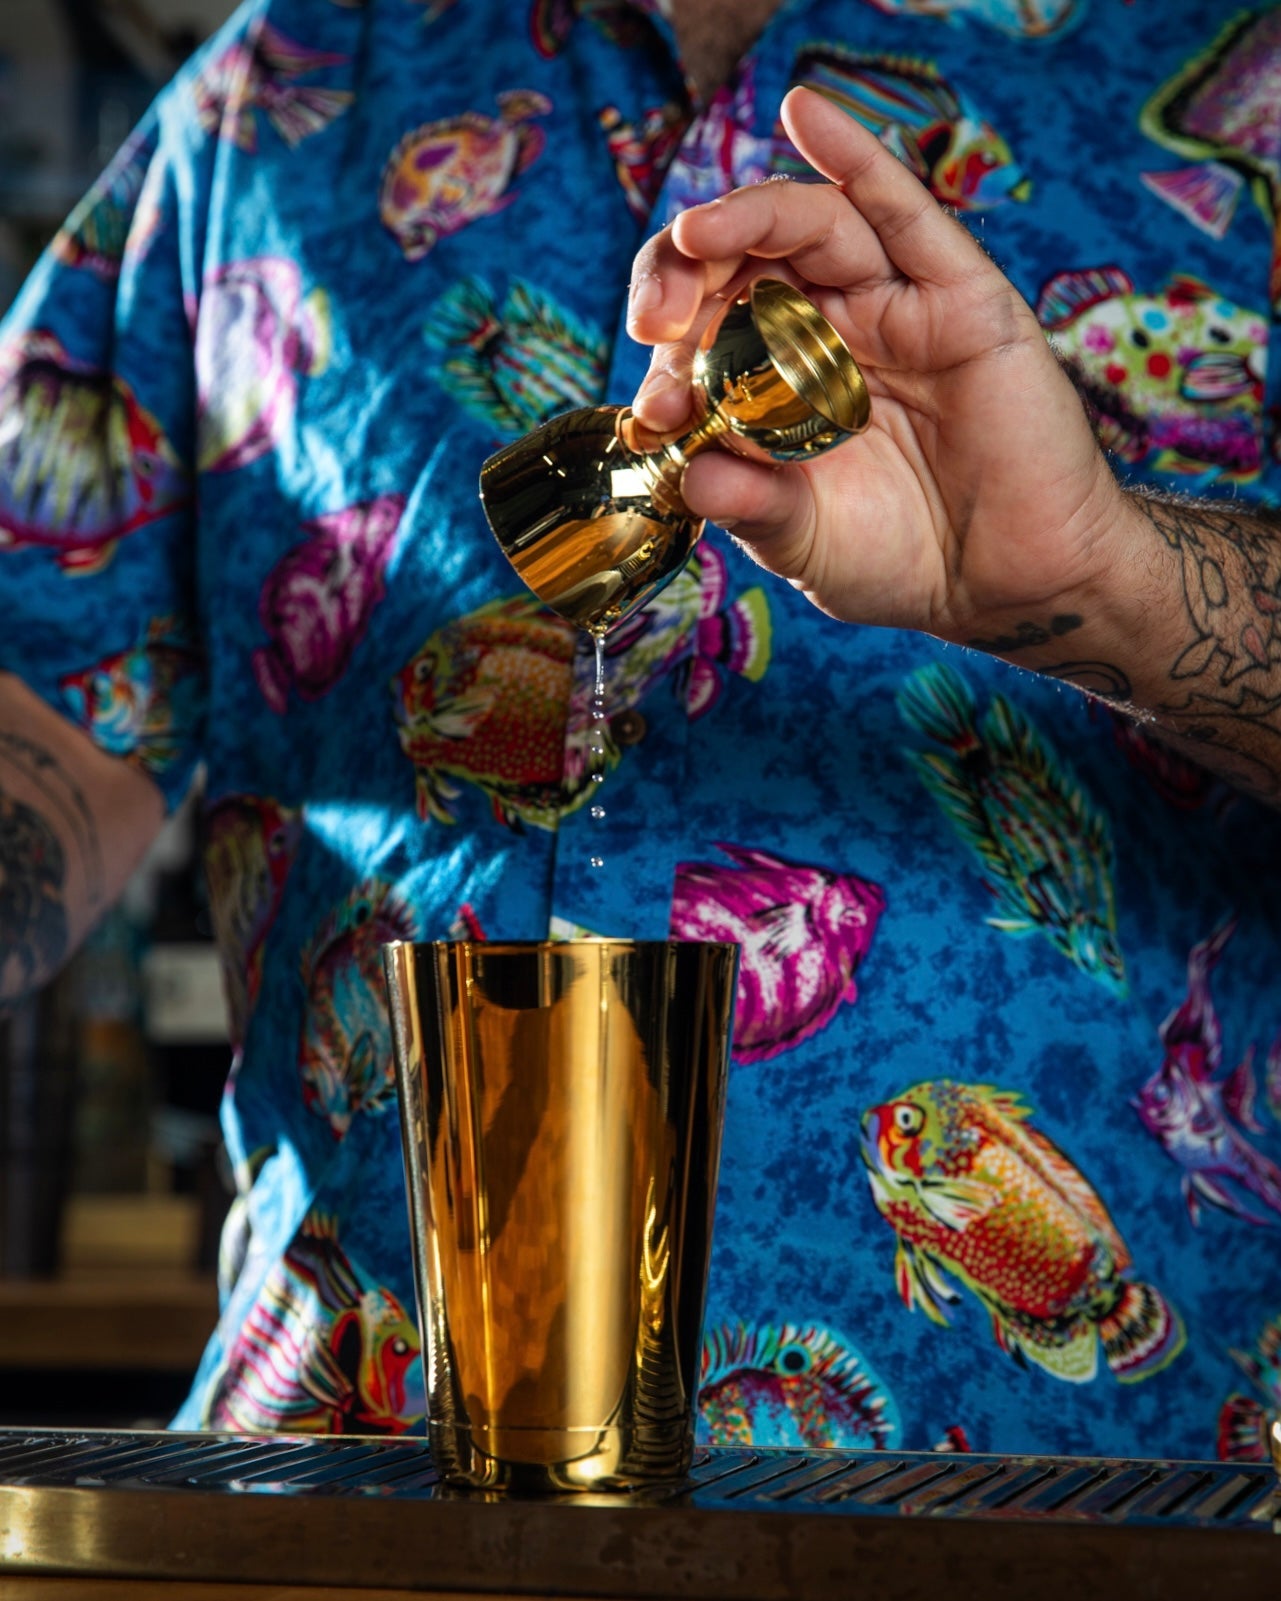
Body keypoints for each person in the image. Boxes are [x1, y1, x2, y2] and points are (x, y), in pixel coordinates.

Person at [2, 0, 1280, 1462]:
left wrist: (1107, 577)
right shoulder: (285, 83)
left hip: (1077, 1492)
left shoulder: (1231, 76)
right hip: (351, 1472)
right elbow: (49, 699)